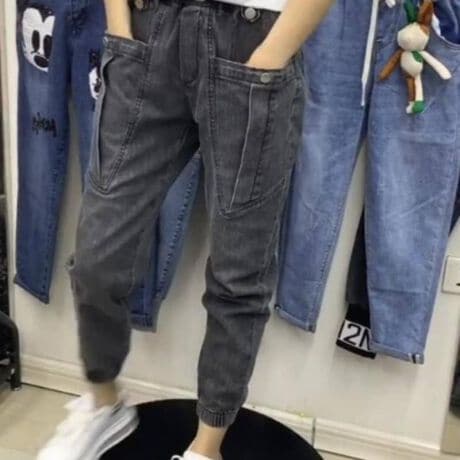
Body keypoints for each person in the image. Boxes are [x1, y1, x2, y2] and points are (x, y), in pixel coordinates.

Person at [37, 0, 334, 459]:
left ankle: (205, 448)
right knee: (98, 257)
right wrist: (119, 24)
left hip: (253, 35)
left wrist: (276, 48)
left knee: (238, 274)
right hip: (147, 32)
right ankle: (103, 403)